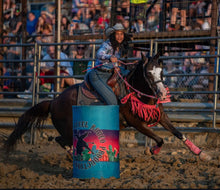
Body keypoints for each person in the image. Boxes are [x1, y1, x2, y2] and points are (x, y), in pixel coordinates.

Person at [88, 23, 131, 105]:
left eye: (121, 34)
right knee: (112, 102)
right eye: (117, 34)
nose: (119, 36)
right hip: (99, 75)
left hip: (109, 73)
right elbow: (99, 54)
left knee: (128, 73)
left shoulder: (119, 46)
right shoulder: (107, 44)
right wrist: (109, 57)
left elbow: (115, 62)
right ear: (113, 35)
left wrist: (116, 67)